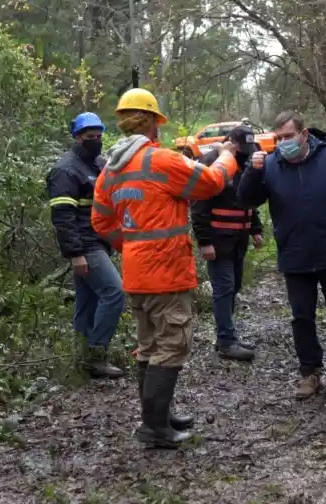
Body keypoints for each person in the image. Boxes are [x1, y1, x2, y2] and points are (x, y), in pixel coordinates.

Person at [92, 88, 240, 448]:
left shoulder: (111, 170)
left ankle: (156, 418)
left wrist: (132, 247)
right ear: (153, 124)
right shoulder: (160, 160)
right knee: (172, 345)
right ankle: (155, 429)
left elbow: (101, 221)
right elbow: (211, 182)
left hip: (137, 274)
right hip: (166, 273)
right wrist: (226, 156)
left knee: (149, 346)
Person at [236, 111, 326, 399]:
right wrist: (252, 171)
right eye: (279, 138)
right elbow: (247, 200)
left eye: (288, 136)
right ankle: (310, 373)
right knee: (301, 317)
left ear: (304, 134)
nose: (283, 143)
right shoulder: (270, 165)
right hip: (294, 253)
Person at [47, 112, 124, 380]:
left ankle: (82, 358)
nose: (97, 140)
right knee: (114, 292)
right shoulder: (65, 170)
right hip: (86, 245)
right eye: (91, 136)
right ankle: (96, 354)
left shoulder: (99, 165)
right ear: (78, 137)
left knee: (87, 300)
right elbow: (63, 218)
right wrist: (76, 254)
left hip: (100, 242)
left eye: (99, 136)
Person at [190, 125, 264, 362]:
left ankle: (227, 335)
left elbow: (247, 199)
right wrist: (204, 242)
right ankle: (226, 341)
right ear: (230, 142)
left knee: (234, 287)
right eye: (242, 148)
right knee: (224, 288)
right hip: (218, 239)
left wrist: (256, 229)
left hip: (238, 239)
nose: (245, 153)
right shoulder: (211, 163)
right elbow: (198, 205)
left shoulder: (244, 163)